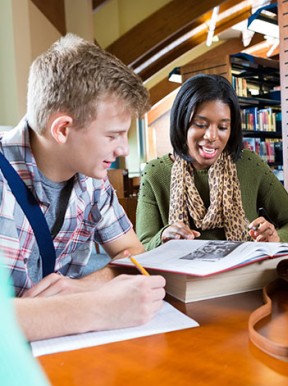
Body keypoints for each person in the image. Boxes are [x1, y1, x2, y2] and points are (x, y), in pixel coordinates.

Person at [0, 33, 165, 341]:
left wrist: (82, 286)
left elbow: (133, 251)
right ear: (63, 129)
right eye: (113, 135)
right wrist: (96, 307)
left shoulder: (92, 179)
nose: (123, 149)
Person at [136, 74, 288, 250]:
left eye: (223, 127)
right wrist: (163, 236)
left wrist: (276, 238)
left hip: (245, 272)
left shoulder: (249, 164)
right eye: (200, 124)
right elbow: (143, 247)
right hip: (184, 276)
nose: (212, 136)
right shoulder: (155, 173)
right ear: (181, 123)